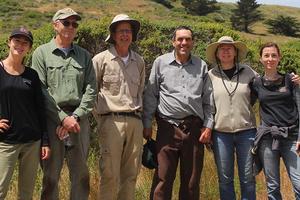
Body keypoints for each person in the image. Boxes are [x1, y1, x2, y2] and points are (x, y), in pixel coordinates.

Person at [31, 8, 96, 200]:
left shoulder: (84, 55)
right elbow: (40, 90)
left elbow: (91, 89)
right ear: (55, 25)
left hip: (79, 121)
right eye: (66, 22)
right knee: (51, 176)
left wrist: (74, 117)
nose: (71, 27)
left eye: (74, 24)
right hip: (52, 121)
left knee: (81, 174)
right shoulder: (41, 53)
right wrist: (62, 119)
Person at [143, 26, 214, 200]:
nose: (184, 43)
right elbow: (151, 95)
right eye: (180, 39)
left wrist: (208, 126)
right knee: (162, 179)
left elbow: (208, 99)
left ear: (193, 42)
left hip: (195, 130)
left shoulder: (201, 65)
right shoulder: (160, 63)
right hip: (167, 128)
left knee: (191, 182)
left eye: (188, 39)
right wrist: (146, 123)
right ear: (173, 42)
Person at [92, 14, 145, 200]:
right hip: (110, 121)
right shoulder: (100, 60)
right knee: (109, 174)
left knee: (131, 175)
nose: (125, 35)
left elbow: (140, 91)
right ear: (113, 35)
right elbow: (91, 92)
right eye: (121, 31)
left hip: (135, 122)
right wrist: (101, 118)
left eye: (128, 31)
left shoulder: (139, 61)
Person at [0, 27, 50, 199]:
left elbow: (40, 109)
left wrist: (44, 140)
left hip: (32, 142)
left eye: (25, 42)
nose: (20, 45)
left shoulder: (32, 75)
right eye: (17, 41)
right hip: (6, 141)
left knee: (26, 194)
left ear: (29, 48)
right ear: (9, 42)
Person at [205, 36, 257, 200]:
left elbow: (265, 87)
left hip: (247, 132)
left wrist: (291, 81)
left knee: (248, 178)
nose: (226, 51)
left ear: (235, 52)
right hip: (220, 134)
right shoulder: (210, 75)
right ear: (217, 53)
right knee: (225, 179)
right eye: (222, 48)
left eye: (229, 48)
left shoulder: (249, 72)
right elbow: (206, 104)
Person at [251, 42, 300, 199]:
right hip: (267, 137)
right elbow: (244, 104)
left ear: (279, 58)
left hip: (291, 136)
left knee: (298, 183)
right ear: (261, 59)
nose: (270, 59)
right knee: (272, 186)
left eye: (274, 55)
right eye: (266, 55)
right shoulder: (256, 83)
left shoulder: (291, 80)